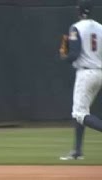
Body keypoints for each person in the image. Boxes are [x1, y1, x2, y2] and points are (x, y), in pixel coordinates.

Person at [59, 0, 102, 160]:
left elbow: (74, 55)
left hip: (86, 74)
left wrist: (65, 56)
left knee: (79, 113)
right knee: (82, 111)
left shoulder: (76, 27)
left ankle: (77, 151)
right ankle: (77, 151)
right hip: (99, 72)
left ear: (79, 10)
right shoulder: (100, 28)